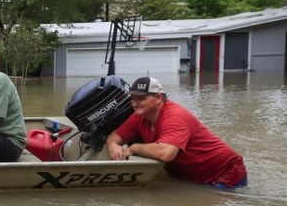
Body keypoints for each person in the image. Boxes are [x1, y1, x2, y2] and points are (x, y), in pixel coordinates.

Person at [106, 77, 247, 189]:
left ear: (159, 98)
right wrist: (113, 146)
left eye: (141, 98)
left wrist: (134, 148)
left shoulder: (175, 117)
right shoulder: (139, 116)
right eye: (133, 98)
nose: (135, 103)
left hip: (224, 174)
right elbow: (114, 137)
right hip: (193, 177)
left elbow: (165, 153)